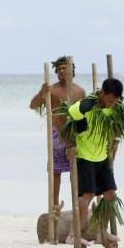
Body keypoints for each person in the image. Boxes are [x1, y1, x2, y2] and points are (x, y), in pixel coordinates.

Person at [65, 77, 123, 241]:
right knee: (87, 196)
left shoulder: (114, 109)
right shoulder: (87, 106)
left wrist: (115, 143)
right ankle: (73, 235)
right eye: (110, 100)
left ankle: (100, 232)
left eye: (115, 101)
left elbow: (117, 127)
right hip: (85, 157)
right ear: (102, 93)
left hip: (102, 158)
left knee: (111, 195)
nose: (112, 104)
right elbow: (71, 112)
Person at [29, 56, 86, 208]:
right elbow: (33, 105)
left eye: (64, 68)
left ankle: (76, 204)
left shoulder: (79, 91)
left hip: (74, 134)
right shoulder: (51, 90)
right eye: (58, 69)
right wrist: (41, 93)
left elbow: (86, 115)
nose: (61, 71)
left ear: (71, 70)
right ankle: (54, 204)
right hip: (56, 134)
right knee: (55, 171)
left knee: (76, 170)